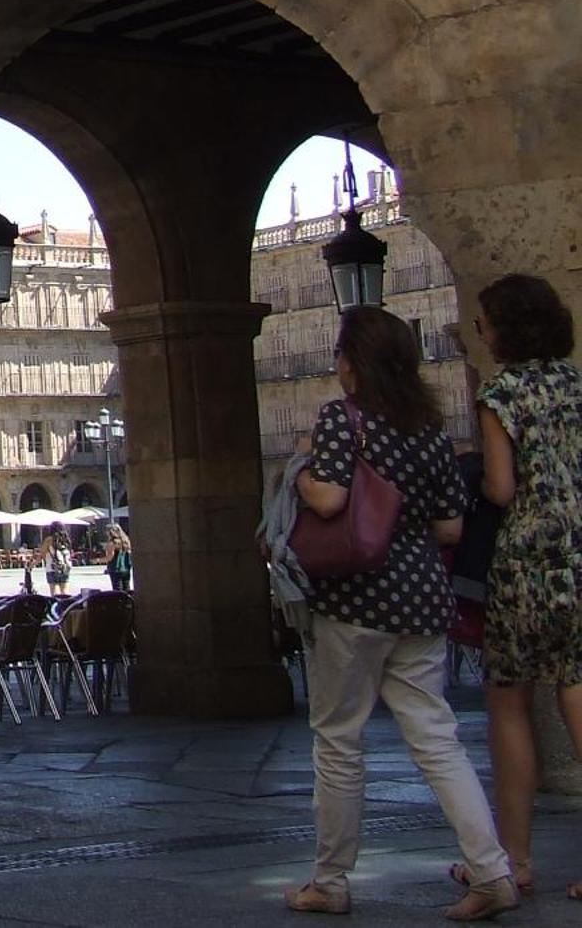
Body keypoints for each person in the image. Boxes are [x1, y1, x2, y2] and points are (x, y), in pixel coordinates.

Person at [285, 306, 516, 919]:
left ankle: (330, 882)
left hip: (354, 597)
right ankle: (492, 870)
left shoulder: (344, 420)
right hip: (420, 600)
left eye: (340, 355)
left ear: (353, 362)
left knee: (338, 740)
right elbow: (449, 526)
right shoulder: (430, 429)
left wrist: (304, 471)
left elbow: (330, 500)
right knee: (437, 738)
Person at [473, 274, 582, 901]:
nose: (479, 331)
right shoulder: (576, 385)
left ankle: (513, 860)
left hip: (528, 561)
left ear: (506, 327)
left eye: (484, 321)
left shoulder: (502, 391)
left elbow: (502, 489)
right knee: (576, 691)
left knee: (510, 704)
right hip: (580, 553)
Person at [104, 527, 133, 593]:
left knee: (118, 591)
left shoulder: (112, 543)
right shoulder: (126, 542)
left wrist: (97, 560)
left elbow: (109, 558)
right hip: (126, 569)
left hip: (115, 569)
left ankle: (120, 603)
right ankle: (128, 602)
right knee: (127, 589)